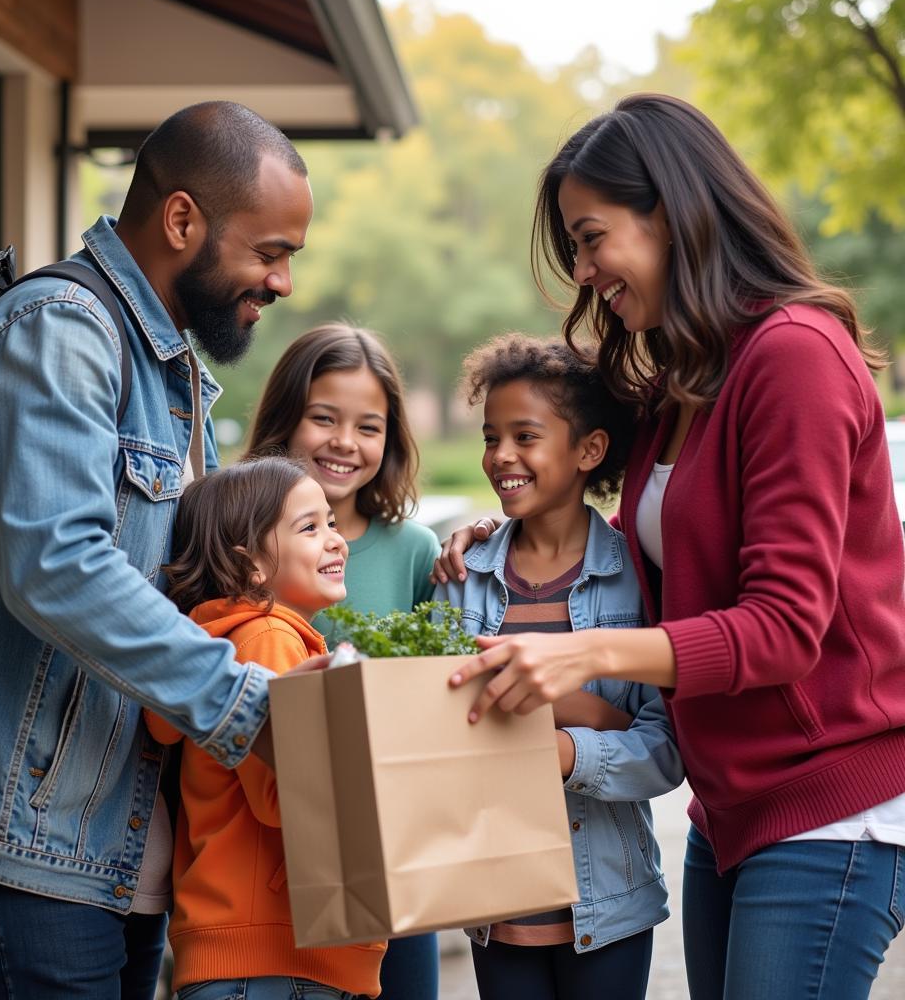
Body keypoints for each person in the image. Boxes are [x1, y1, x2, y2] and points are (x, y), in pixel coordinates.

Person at [437, 93, 905, 1000]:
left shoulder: (795, 356)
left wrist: (579, 656)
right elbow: (637, 538)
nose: (583, 271)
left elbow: (782, 628)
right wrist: (510, 530)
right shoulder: (680, 384)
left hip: (830, 805)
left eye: (590, 237)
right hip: (730, 809)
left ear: (671, 212)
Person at [0, 101, 315, 999]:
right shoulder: (61, 331)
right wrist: (250, 708)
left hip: (103, 837)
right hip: (16, 838)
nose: (281, 283)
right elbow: (60, 568)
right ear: (183, 219)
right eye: (268, 253)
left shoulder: (169, 368)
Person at [434, 332, 682, 1000]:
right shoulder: (461, 576)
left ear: (589, 451)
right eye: (491, 437)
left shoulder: (637, 578)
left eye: (525, 436)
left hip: (610, 911)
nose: (500, 456)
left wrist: (569, 751)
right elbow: (429, 728)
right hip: (495, 911)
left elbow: (665, 753)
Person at [245, 323, 441, 1000]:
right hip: (262, 853)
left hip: (390, 851)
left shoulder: (415, 549)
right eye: (322, 418)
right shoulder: (234, 544)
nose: (344, 444)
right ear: (284, 419)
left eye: (368, 426)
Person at [144, 456, 386, 1000]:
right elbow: (287, 798)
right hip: (276, 955)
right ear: (251, 564)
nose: (335, 541)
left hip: (255, 955)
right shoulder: (267, 637)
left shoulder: (255, 637)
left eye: (331, 522)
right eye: (309, 528)